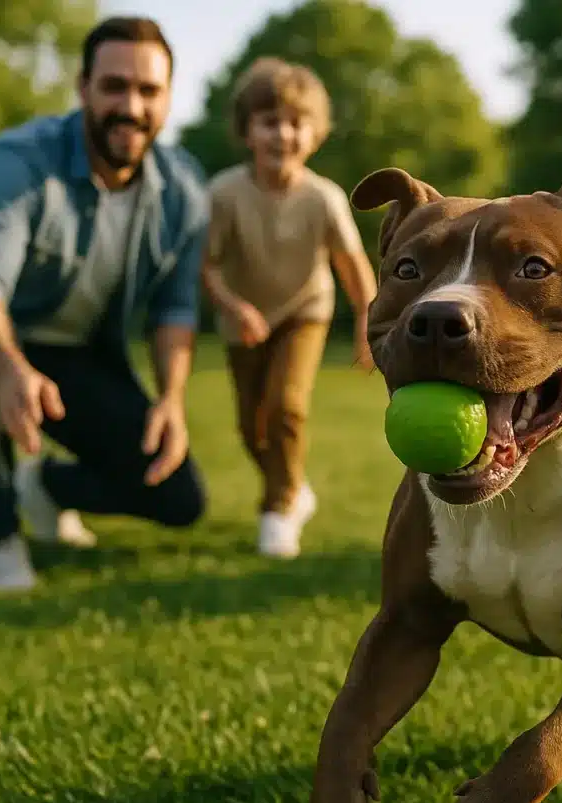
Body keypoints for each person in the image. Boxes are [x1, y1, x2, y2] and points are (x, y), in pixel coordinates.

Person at [0, 16, 210, 593]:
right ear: (83, 87)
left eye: (148, 91)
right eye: (114, 86)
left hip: (73, 356)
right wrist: (8, 369)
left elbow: (175, 309)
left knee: (178, 497)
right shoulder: (17, 162)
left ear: (168, 98)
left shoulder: (185, 190)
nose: (131, 107)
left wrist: (171, 398)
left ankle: (45, 487)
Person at [200, 57, 376, 559]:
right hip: (244, 320)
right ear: (247, 131)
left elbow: (351, 264)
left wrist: (368, 321)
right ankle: (294, 488)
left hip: (305, 311)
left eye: (297, 123)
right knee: (251, 427)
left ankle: (277, 511)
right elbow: (206, 266)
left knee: (286, 407)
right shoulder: (224, 194)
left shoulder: (324, 198)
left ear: (315, 134)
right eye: (270, 122)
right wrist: (234, 307)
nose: (283, 134)